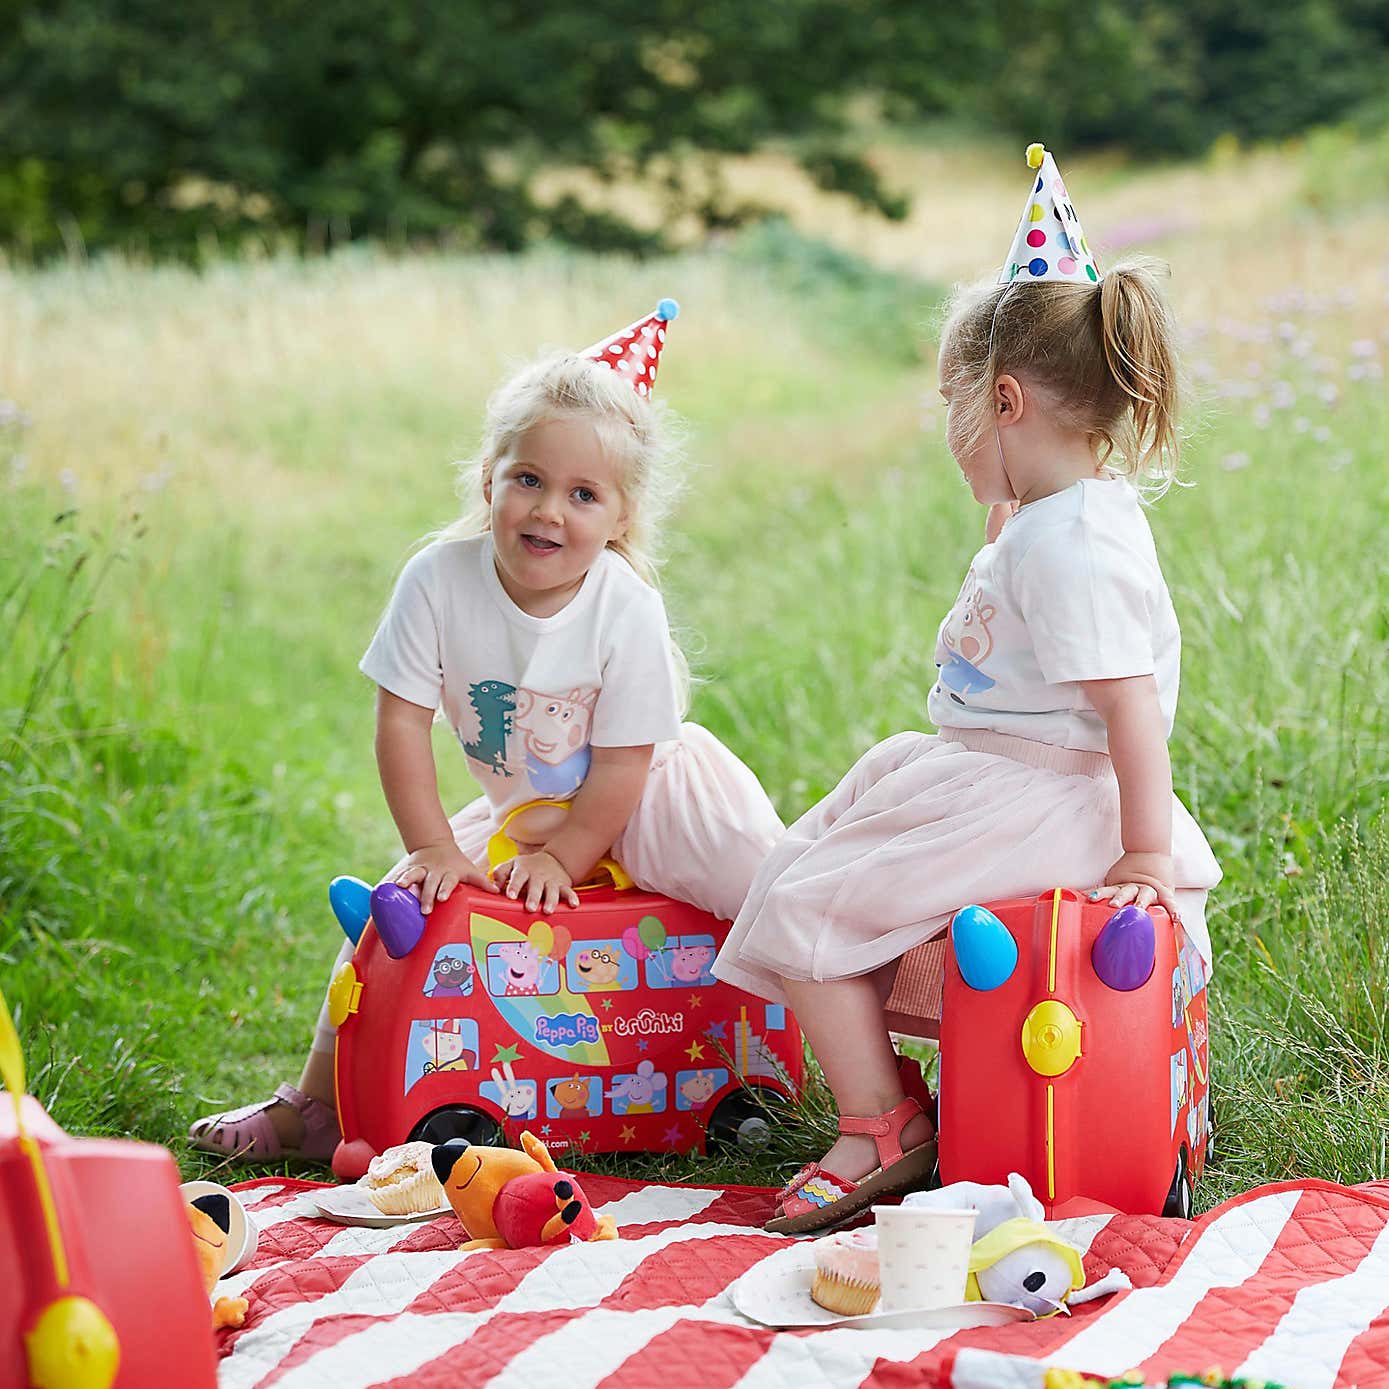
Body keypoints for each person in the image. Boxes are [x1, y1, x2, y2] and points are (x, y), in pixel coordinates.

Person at [714, 148, 1221, 1234]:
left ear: (1002, 399)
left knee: (808, 904)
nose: (950, 441)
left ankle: (879, 1122)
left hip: (1038, 796)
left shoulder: (1067, 544)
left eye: (954, 413)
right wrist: (1010, 529)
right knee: (806, 868)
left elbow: (1127, 707)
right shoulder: (1062, 518)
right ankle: (920, 1104)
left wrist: (1144, 854)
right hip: (993, 772)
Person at [189, 303, 784, 1162]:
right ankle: (314, 1107)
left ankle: (868, 1094)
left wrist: (565, 858)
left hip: (657, 793)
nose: (549, 510)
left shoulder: (624, 607)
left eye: (583, 494)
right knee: (397, 916)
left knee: (777, 904)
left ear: (620, 516)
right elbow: (401, 717)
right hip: (530, 805)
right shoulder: (437, 581)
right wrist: (431, 846)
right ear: (488, 481)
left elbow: (622, 765)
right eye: (528, 480)